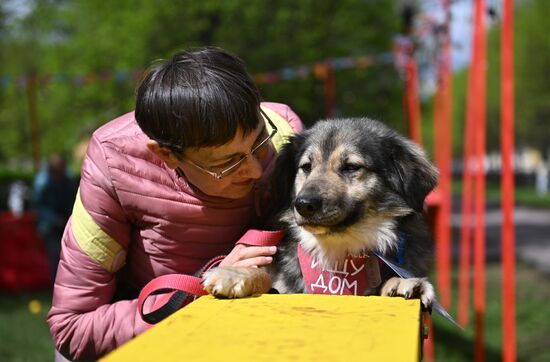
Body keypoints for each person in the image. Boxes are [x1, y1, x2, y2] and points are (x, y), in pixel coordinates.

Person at [47, 46, 303, 361]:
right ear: (166, 154)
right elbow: (72, 327)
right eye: (228, 162)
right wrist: (203, 291)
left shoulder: (285, 133)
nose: (254, 170)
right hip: (155, 333)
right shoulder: (113, 161)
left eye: (258, 144)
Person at [32, 153, 77, 283]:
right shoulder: (42, 183)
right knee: (55, 257)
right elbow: (37, 206)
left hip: (68, 223)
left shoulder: (68, 180)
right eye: (59, 171)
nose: (62, 173)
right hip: (50, 227)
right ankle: (57, 286)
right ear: (52, 171)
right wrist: (55, 219)